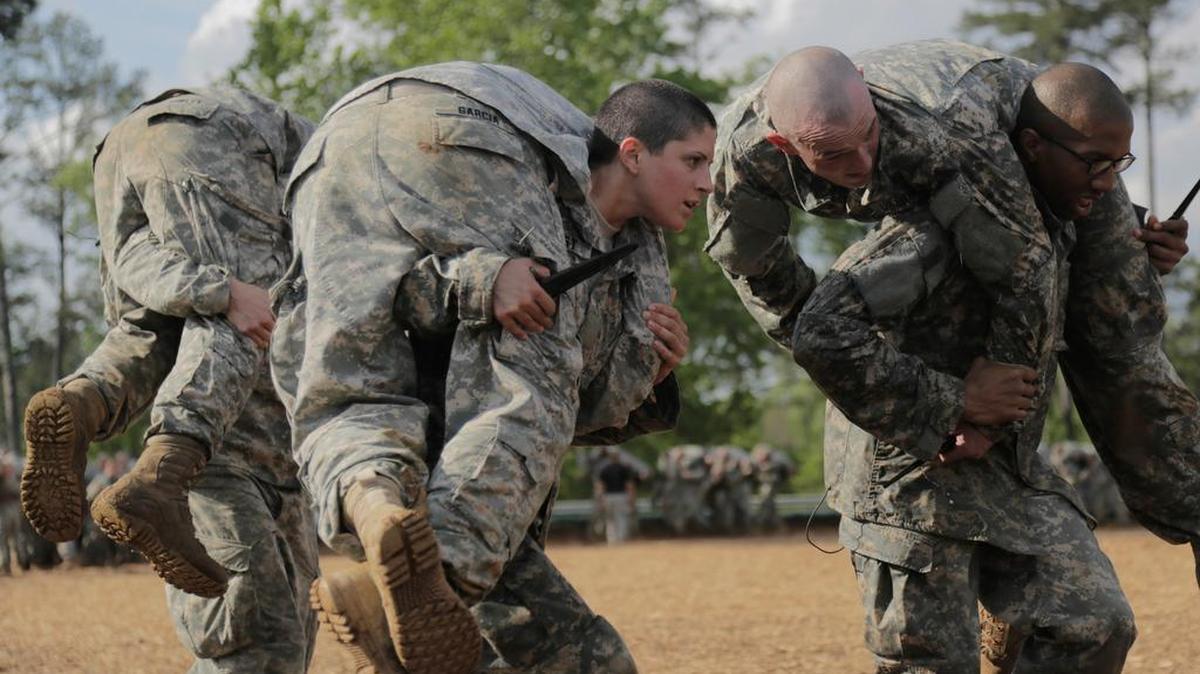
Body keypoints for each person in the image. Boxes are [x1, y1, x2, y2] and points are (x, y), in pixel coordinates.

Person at [706, 38, 1200, 584]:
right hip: (961, 189)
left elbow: (1025, 267)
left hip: (1052, 146)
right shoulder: (742, 157)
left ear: (870, 95)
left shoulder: (945, 127)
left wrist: (992, 413)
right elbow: (763, 278)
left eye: (868, 139)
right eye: (834, 154)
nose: (862, 163)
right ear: (782, 143)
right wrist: (892, 388)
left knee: (1120, 342)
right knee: (904, 332)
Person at [271, 65, 710, 674]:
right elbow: (544, 386)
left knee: (351, 380)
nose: (707, 184)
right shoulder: (547, 187)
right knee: (532, 362)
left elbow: (398, 300)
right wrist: (489, 278)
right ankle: (434, 578)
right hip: (461, 121)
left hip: (327, 149)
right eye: (694, 161)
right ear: (632, 154)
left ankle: (375, 509)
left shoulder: (631, 254)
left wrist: (654, 373)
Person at [792, 63, 1138, 672]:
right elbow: (821, 332)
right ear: (1031, 148)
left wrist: (1139, 257)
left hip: (1008, 473)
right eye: (1095, 162)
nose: (1109, 183)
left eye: (1119, 165)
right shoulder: (930, 230)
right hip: (912, 480)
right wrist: (950, 403)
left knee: (1097, 625)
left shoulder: (1058, 221)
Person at [23, 86, 318, 672]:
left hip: (123, 143)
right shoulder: (332, 168)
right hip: (216, 132)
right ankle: (163, 471)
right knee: (245, 299)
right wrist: (228, 291)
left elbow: (150, 287)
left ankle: (84, 399)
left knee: (156, 316)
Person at [593, 446, 639, 544]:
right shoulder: (624, 469)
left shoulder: (604, 469)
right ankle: (621, 539)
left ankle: (612, 540)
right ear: (618, 456)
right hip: (621, 496)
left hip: (608, 496)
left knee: (610, 519)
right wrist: (632, 499)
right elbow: (629, 486)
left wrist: (600, 499)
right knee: (621, 518)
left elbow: (600, 487)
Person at [750, 443, 795, 532]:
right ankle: (778, 527)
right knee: (769, 505)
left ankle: (762, 526)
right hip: (765, 485)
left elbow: (789, 470)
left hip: (771, 484)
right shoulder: (756, 460)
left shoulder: (777, 460)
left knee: (766, 504)